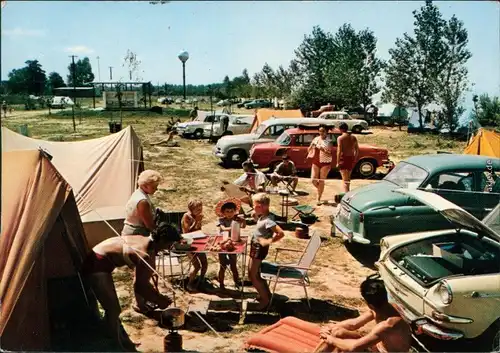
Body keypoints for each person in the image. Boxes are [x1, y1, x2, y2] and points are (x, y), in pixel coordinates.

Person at [82, 223, 180, 351]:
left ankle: (121, 340)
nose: (169, 247)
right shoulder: (143, 253)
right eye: (169, 244)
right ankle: (116, 346)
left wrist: (156, 295)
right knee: (113, 309)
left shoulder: (146, 240)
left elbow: (143, 280)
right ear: (162, 240)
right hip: (96, 263)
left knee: (113, 308)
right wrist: (159, 300)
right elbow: (140, 286)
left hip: (100, 258)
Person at [318, 275, 412, 353]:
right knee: (338, 332)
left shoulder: (388, 325)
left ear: (370, 305)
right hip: (377, 348)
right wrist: (329, 328)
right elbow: (353, 324)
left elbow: (353, 347)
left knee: (339, 343)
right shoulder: (384, 307)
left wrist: (330, 339)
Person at [248, 193, 285, 310]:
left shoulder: (268, 220)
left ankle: (265, 301)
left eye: (254, 205)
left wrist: (268, 241)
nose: (252, 207)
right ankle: (265, 294)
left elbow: (281, 233)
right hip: (255, 247)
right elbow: (261, 227)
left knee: (252, 276)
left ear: (260, 206)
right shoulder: (263, 216)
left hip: (259, 248)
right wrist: (255, 217)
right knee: (254, 273)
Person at [215, 198, 246, 291]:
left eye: (231, 211)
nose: (229, 213)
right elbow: (223, 229)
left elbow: (243, 226)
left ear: (235, 211)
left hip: (234, 242)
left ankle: (236, 283)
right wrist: (234, 226)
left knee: (233, 265)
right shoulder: (221, 220)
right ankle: (221, 284)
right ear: (223, 212)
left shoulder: (236, 218)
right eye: (227, 211)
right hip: (223, 243)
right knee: (222, 265)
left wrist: (243, 220)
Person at [122, 170, 162, 237]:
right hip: (137, 234)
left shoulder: (138, 193)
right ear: (145, 186)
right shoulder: (142, 201)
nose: (156, 189)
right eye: (153, 187)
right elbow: (149, 225)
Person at [181, 199, 208, 292]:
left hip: (198, 241)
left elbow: (198, 230)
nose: (200, 211)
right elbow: (187, 231)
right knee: (197, 265)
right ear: (191, 209)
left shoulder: (198, 216)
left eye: (201, 209)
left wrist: (198, 222)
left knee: (205, 263)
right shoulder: (187, 216)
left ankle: (201, 280)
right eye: (197, 209)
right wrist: (196, 221)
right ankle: (189, 284)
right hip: (188, 243)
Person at [307, 125, 333, 205]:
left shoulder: (329, 141)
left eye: (323, 131)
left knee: (321, 181)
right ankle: (320, 190)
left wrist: (323, 149)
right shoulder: (316, 139)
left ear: (327, 132)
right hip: (315, 161)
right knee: (313, 180)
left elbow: (330, 154)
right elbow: (309, 150)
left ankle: (318, 198)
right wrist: (311, 146)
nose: (321, 133)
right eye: (320, 131)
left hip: (325, 162)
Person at [336, 122, 359, 193]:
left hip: (344, 159)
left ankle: (346, 195)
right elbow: (357, 149)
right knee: (348, 179)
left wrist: (337, 162)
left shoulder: (340, 138)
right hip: (351, 158)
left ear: (341, 129)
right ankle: (347, 192)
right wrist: (355, 159)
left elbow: (339, 151)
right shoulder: (353, 137)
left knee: (345, 180)